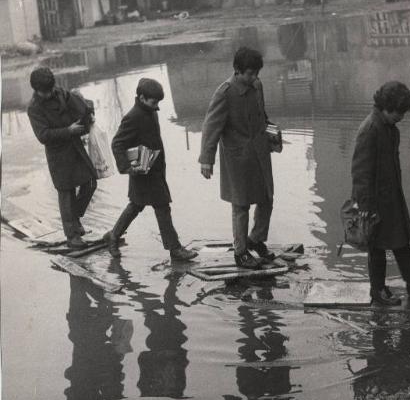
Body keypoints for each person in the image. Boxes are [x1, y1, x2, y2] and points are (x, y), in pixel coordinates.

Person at [104, 78, 197, 261]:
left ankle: (113, 235)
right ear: (141, 97)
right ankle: (175, 249)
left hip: (153, 169)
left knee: (138, 205)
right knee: (160, 207)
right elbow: (117, 144)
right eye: (154, 102)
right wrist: (127, 167)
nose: (157, 106)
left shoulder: (149, 111)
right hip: (141, 171)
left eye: (158, 103)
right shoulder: (133, 116)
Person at [199, 46, 275, 269]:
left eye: (256, 73)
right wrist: (207, 159)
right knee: (241, 205)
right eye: (250, 74)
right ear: (237, 71)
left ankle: (256, 239)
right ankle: (241, 252)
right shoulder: (225, 93)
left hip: (260, 153)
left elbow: (262, 115)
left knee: (267, 197)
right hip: (238, 158)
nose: (254, 78)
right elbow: (210, 127)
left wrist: (272, 134)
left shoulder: (257, 86)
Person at [351, 81, 410, 306]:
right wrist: (364, 206)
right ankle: (378, 290)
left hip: (391, 197)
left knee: (400, 240)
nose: (401, 117)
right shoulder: (370, 129)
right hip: (374, 201)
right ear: (386, 106)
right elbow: (360, 172)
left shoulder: (389, 128)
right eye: (399, 112)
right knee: (377, 247)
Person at [27, 67, 97, 249]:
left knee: (90, 182)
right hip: (58, 154)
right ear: (35, 89)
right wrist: (68, 130)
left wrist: (88, 112)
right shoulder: (34, 108)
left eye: (51, 89)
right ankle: (72, 236)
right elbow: (43, 136)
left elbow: (80, 106)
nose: (50, 94)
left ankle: (75, 218)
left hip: (75, 147)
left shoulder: (59, 92)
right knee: (66, 193)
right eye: (46, 92)